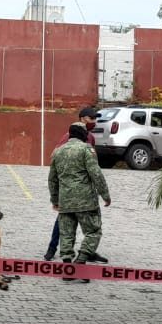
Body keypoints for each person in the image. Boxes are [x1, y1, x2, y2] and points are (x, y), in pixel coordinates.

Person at [42, 107, 109, 263]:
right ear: (82, 119)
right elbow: (95, 172)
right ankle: (54, 249)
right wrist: (105, 195)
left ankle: (76, 256)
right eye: (92, 118)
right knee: (77, 227)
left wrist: (55, 198)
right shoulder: (71, 138)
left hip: (68, 195)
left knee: (68, 228)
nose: (94, 121)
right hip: (81, 196)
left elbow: (52, 178)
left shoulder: (89, 137)